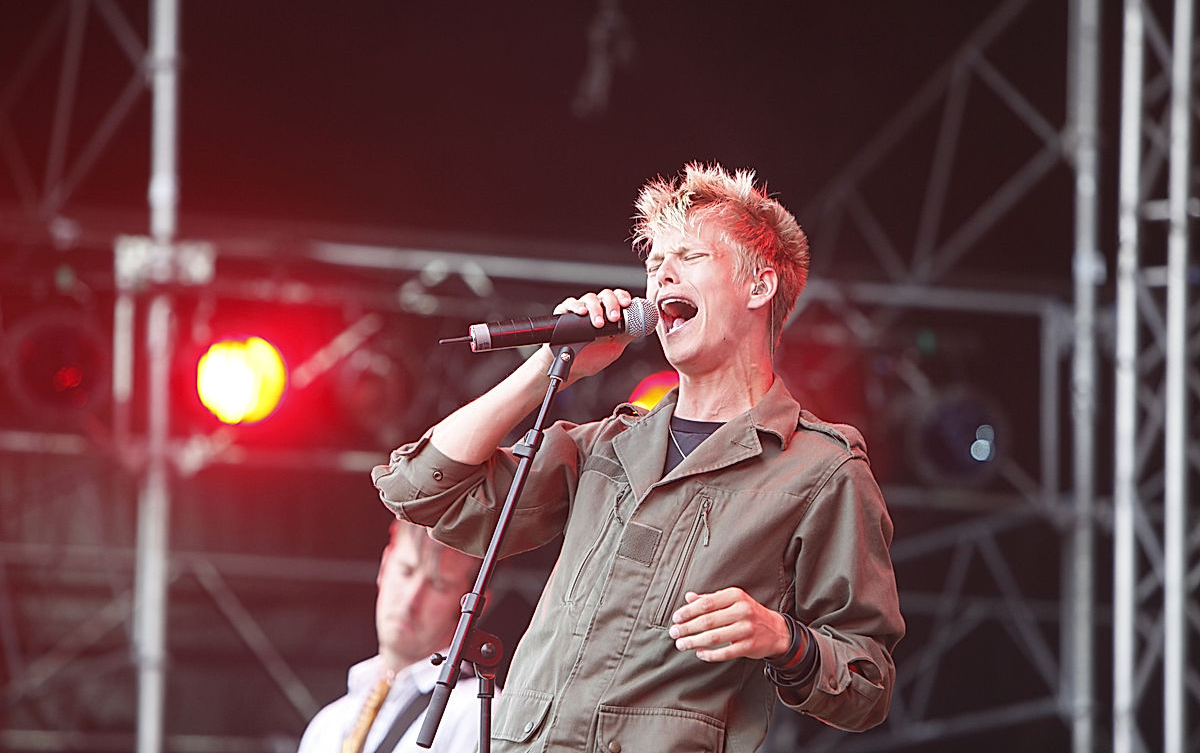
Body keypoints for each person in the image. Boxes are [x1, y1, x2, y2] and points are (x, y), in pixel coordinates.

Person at [371, 162, 905, 752]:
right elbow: (419, 488)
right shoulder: (605, 445)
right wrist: (550, 367)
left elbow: (867, 684)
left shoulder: (821, 470)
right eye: (654, 263)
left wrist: (784, 638)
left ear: (760, 286)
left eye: (690, 256)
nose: (660, 275)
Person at [297, 519, 486, 753]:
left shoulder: (478, 713)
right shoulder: (328, 724)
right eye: (406, 571)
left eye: (438, 585)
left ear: (475, 606)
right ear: (384, 565)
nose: (411, 599)